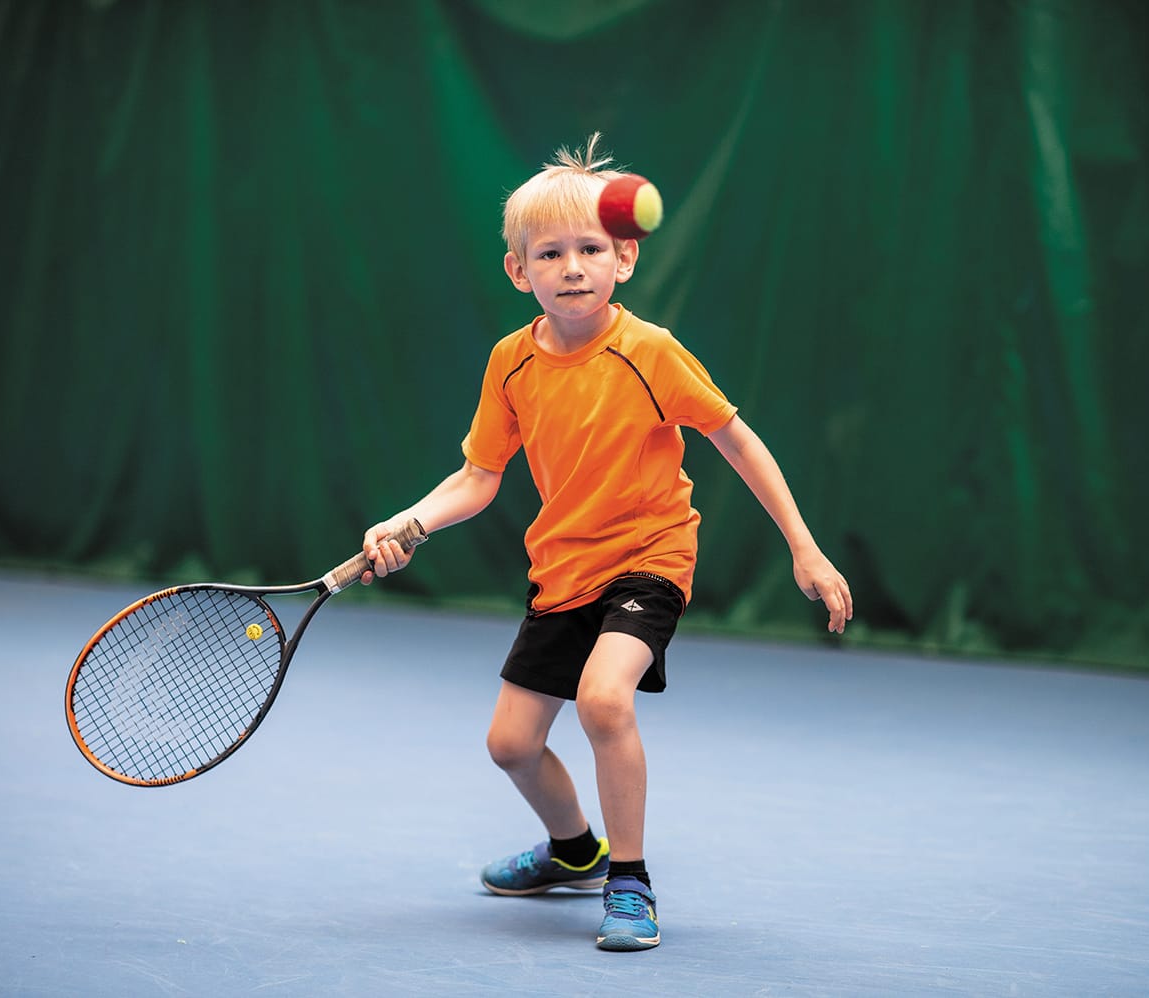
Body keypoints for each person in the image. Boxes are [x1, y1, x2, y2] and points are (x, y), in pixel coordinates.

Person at [360, 134, 853, 951]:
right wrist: (408, 521)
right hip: (564, 568)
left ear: (623, 257)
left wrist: (804, 546)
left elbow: (736, 439)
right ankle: (575, 851)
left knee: (603, 699)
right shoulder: (510, 364)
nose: (573, 266)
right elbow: (478, 477)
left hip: (651, 555)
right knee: (511, 745)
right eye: (550, 253)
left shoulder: (649, 351)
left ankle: (630, 881)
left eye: (590, 248)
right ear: (521, 271)